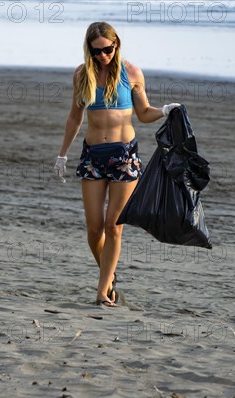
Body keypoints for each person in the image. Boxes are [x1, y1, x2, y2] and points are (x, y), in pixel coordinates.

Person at [54, 21, 180, 307]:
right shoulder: (82, 75)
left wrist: (165, 111)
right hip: (93, 157)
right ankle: (109, 277)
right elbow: (75, 117)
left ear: (116, 44)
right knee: (93, 230)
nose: (102, 56)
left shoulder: (132, 72)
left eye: (107, 49)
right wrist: (63, 154)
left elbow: (144, 113)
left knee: (114, 227)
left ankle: (101, 290)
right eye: (96, 51)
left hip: (124, 157)